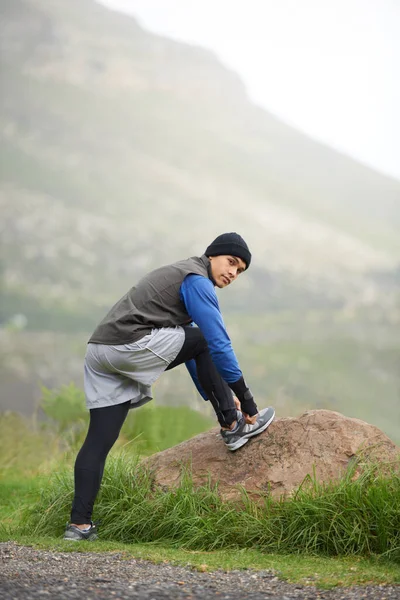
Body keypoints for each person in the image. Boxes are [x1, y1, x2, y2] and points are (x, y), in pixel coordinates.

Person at [64, 232, 275, 541]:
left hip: (100, 351)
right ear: (212, 255)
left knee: (98, 441)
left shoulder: (184, 274)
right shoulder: (197, 279)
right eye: (231, 262)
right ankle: (233, 426)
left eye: (240, 270)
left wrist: (225, 394)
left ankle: (78, 526)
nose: (233, 272)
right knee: (205, 339)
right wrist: (247, 401)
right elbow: (216, 344)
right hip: (126, 346)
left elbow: (190, 348)